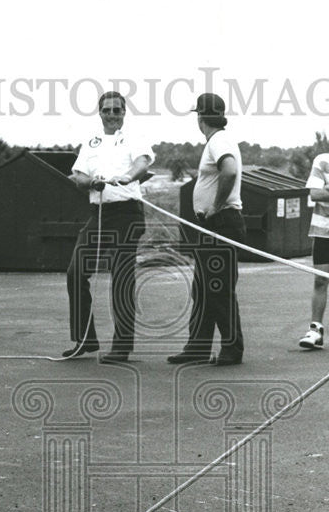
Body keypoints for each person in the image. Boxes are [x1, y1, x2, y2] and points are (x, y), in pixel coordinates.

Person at [64, 91, 154, 364]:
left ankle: (122, 346)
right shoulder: (90, 142)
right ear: (99, 112)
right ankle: (85, 340)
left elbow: (143, 162)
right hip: (99, 214)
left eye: (117, 110)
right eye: (107, 110)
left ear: (124, 113)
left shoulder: (134, 138)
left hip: (127, 214)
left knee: (122, 279)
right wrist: (90, 182)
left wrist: (127, 177)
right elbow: (76, 174)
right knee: (75, 272)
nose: (112, 115)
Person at [167, 93, 245, 366]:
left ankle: (232, 349)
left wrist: (214, 207)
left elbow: (230, 171)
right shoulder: (217, 140)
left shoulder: (219, 141)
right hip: (214, 224)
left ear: (200, 118)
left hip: (220, 222)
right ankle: (198, 347)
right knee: (202, 289)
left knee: (218, 288)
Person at [298, 114, 329, 350]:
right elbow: (314, 194)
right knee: (320, 281)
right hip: (323, 231)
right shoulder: (322, 160)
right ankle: (315, 330)